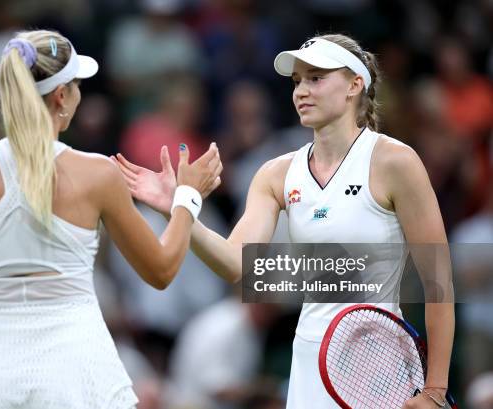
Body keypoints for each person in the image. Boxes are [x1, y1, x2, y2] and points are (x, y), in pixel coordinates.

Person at [113, 34, 455, 408]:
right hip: (308, 364)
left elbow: (438, 280)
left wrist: (435, 390)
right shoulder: (275, 173)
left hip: (377, 364)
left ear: (355, 85)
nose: (301, 91)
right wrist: (179, 209)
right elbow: (235, 264)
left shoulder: (395, 162)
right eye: (297, 82)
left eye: (316, 78)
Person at [0, 29, 222, 409]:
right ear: (62, 95)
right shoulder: (97, 174)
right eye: (77, 85)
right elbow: (161, 271)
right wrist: (186, 198)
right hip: (80, 375)